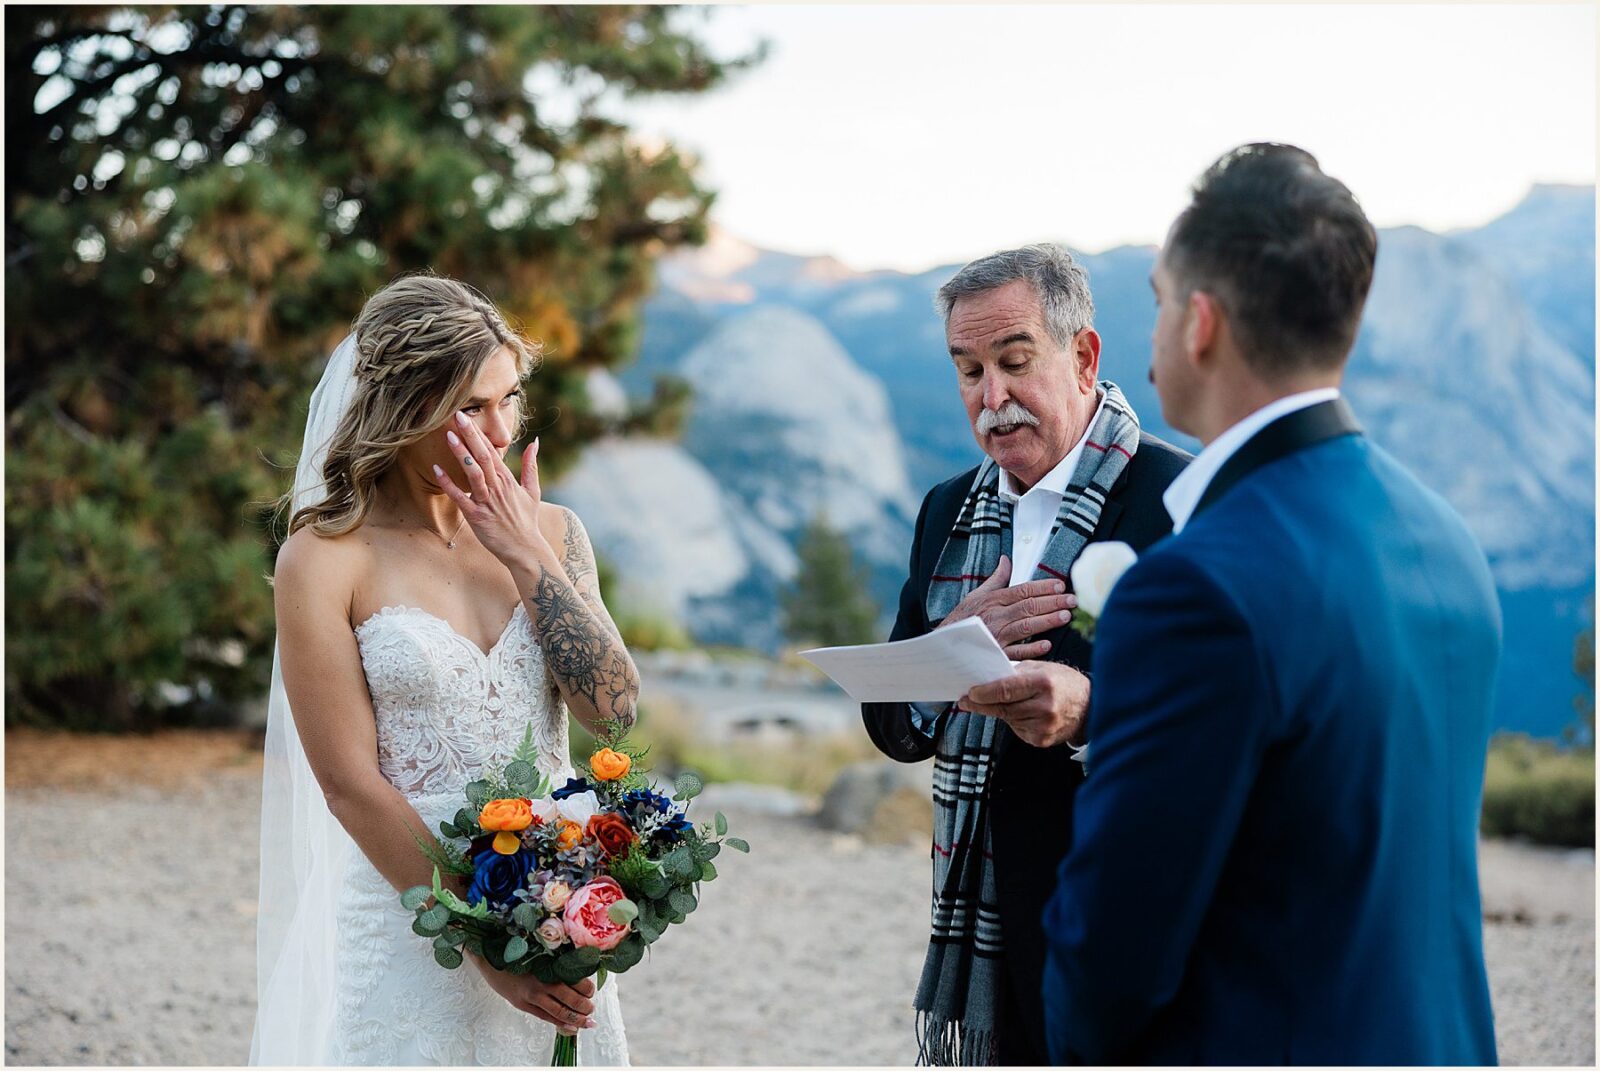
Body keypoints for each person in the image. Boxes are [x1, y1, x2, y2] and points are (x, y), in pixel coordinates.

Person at [1040, 144, 1501, 1065]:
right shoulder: (1447, 537)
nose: (1158, 327)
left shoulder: (1194, 587)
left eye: (1162, 298)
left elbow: (1113, 949)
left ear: (1202, 324)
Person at [251, 274, 636, 1064]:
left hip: (552, 902)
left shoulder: (555, 533)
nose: (499, 432)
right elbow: (349, 781)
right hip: (412, 919)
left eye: (510, 398)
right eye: (469, 407)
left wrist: (529, 557)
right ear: (402, 409)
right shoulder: (324, 559)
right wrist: (483, 942)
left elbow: (616, 713)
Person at [861, 244, 1190, 1065]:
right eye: (969, 370)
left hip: (1126, 917)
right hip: (986, 922)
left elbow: (1221, 720)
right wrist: (946, 649)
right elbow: (895, 730)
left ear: (1082, 356)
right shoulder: (946, 510)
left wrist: (1086, 713)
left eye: (1014, 361)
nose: (991, 398)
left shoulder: (1178, 502)